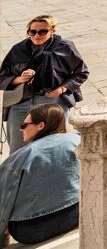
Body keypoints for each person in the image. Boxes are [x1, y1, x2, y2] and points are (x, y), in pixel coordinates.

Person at [0, 15, 89, 153]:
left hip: (53, 101)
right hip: (21, 102)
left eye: (43, 31)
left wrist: (61, 89)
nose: (37, 35)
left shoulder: (65, 47)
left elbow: (82, 72)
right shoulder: (18, 49)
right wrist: (20, 79)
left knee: (52, 147)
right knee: (17, 148)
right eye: (33, 32)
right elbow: (2, 77)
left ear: (52, 31)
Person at [0, 103, 81, 245]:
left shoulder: (20, 157)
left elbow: (4, 201)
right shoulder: (77, 140)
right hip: (74, 215)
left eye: (24, 125)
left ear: (41, 125)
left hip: (30, 231)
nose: (21, 129)